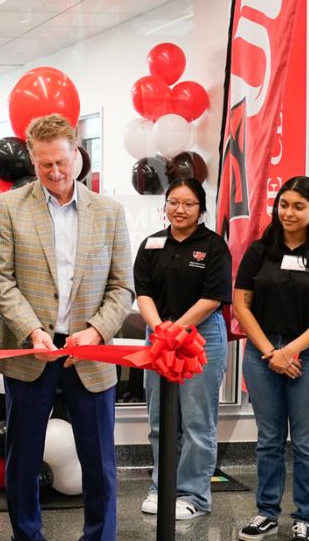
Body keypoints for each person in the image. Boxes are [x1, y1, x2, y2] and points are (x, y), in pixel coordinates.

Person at [0, 114, 132, 541]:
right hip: (31, 349)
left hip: (90, 351)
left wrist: (98, 331)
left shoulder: (108, 212)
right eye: (45, 163)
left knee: (99, 459)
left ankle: (100, 536)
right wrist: (33, 331)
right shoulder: (10, 207)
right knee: (23, 456)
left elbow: (123, 286)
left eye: (62, 162)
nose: (55, 172)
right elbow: (2, 281)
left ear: (77, 155)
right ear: (32, 158)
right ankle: (27, 535)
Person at [232, 176, 309, 541]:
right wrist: (271, 352)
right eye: (284, 204)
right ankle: (266, 512)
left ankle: (305, 517)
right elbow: (240, 305)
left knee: (307, 442)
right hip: (263, 352)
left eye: (299, 206)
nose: (289, 213)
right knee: (268, 439)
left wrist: (291, 350)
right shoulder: (259, 250)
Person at [133, 177, 232, 521]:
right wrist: (159, 328)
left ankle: (193, 495)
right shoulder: (151, 244)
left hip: (201, 337)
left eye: (189, 203)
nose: (180, 209)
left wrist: (175, 328)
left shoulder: (214, 246)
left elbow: (213, 297)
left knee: (196, 422)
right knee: (161, 420)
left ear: (201, 208)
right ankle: (162, 488)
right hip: (158, 336)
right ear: (166, 205)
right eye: (174, 202)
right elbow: (142, 291)